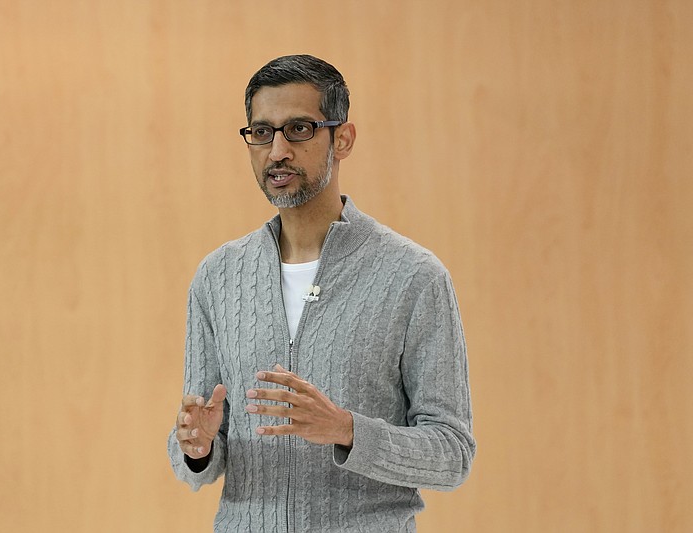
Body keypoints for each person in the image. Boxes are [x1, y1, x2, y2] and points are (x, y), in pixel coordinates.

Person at [167, 54, 475, 532]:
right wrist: (197, 445)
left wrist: (346, 431)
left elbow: (452, 453)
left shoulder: (414, 276)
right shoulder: (218, 276)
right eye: (262, 132)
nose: (277, 152)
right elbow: (194, 448)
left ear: (343, 138)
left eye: (299, 130)